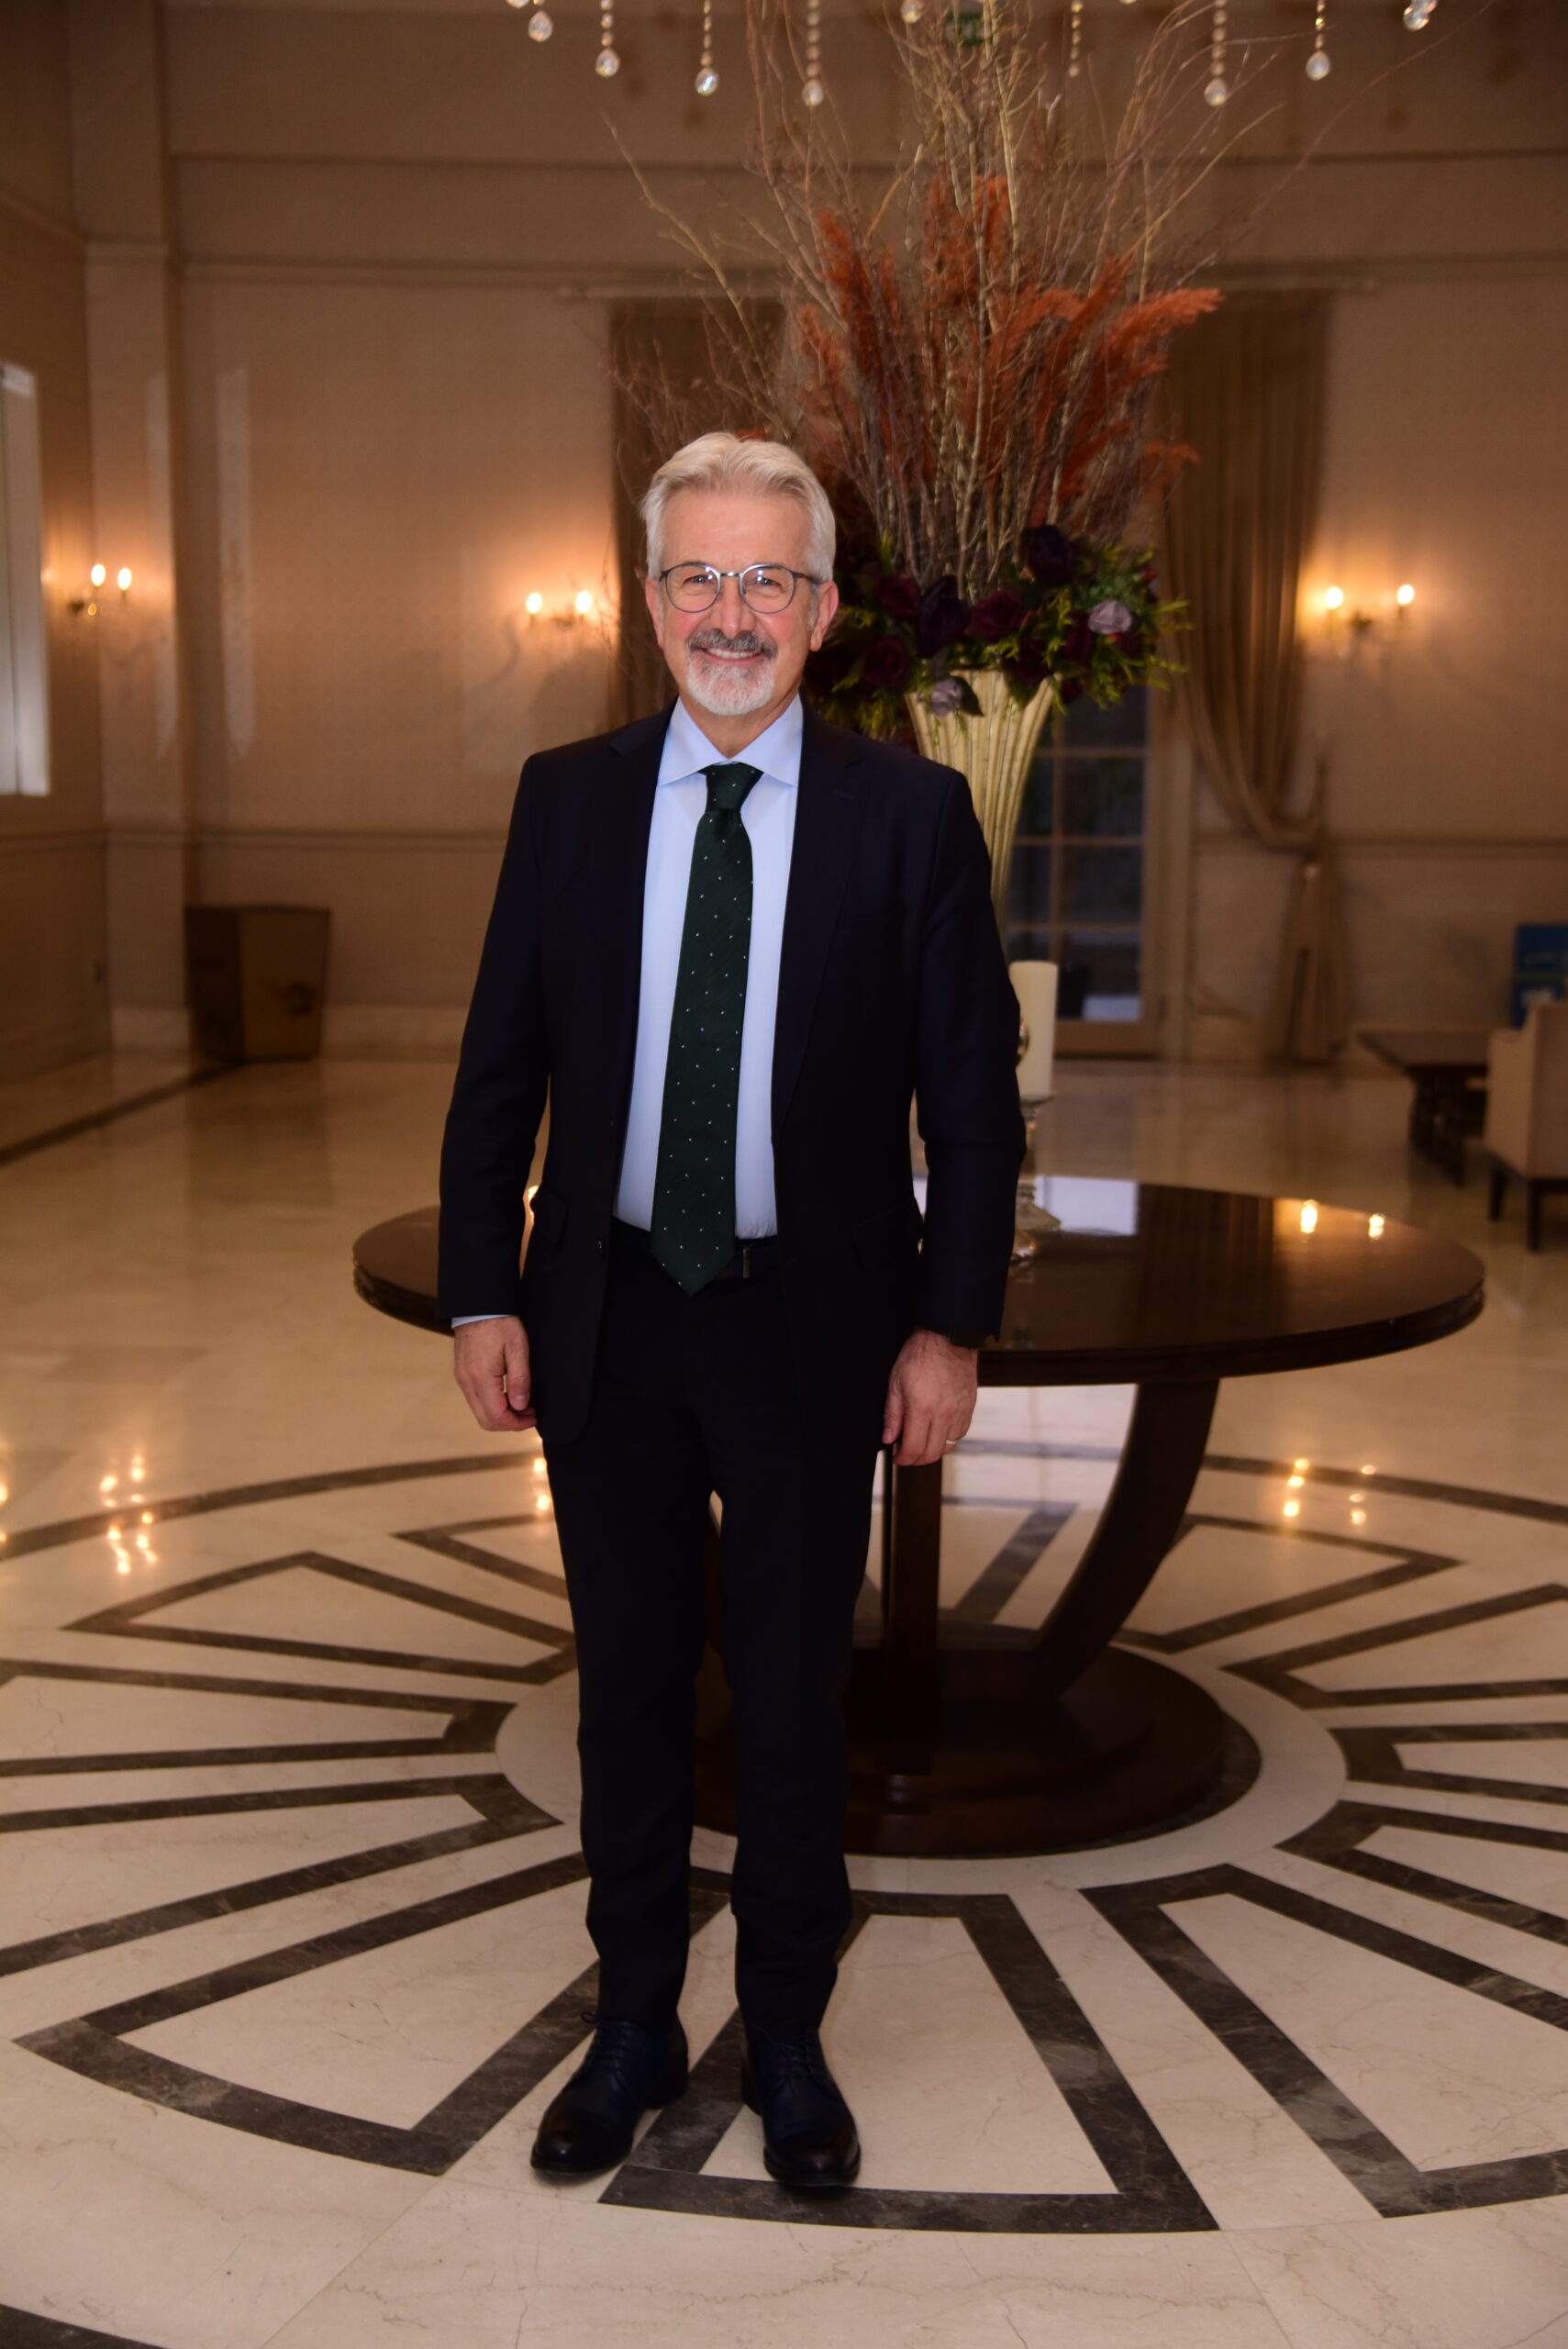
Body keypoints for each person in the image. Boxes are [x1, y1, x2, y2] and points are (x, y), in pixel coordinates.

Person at [439, 432, 1023, 2191]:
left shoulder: (906, 816)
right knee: (624, 1694)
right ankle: (632, 2019)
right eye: (698, 574)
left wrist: (948, 1326)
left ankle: (784, 2030)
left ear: (825, 610)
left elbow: (971, 1103)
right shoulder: (565, 797)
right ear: (648, 600)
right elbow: (498, 1066)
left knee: (786, 1696)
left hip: (806, 1331)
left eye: (769, 578)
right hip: (607, 1317)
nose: (731, 613)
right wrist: (479, 1290)